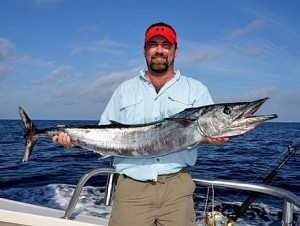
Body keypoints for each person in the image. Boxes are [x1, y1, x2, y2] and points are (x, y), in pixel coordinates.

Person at [53, 22, 229, 226]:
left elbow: (202, 133)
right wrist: (72, 139)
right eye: (153, 44)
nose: (159, 50)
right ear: (145, 50)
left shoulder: (196, 90)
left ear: (176, 51)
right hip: (131, 190)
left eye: (166, 45)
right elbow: (102, 132)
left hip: (177, 190)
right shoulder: (124, 90)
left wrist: (214, 140)